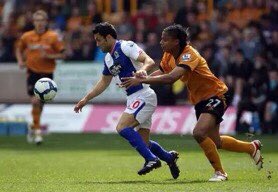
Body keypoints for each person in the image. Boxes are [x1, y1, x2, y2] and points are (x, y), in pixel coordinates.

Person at [121, 24, 263, 182]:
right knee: (216, 141)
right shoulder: (168, 55)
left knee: (199, 133)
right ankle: (251, 148)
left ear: (176, 41)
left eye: (164, 39)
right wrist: (140, 83)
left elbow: (171, 78)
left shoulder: (189, 54)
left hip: (216, 95)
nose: (161, 42)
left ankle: (220, 173)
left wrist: (143, 79)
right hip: (200, 100)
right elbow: (162, 72)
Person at [74, 22, 180, 178]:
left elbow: (149, 61)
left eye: (98, 40)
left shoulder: (126, 46)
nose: (97, 44)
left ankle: (151, 159)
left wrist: (141, 72)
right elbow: (104, 82)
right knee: (144, 143)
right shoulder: (108, 59)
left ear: (108, 37)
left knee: (122, 127)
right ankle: (169, 158)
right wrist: (85, 99)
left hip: (143, 94)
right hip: (133, 98)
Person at [16, 10, 65, 145]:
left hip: (47, 75)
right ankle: (37, 133)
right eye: (37, 20)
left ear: (46, 21)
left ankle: (33, 125)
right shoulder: (26, 36)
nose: (39, 23)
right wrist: (20, 61)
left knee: (40, 104)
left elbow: (63, 54)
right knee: (35, 102)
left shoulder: (53, 37)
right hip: (32, 72)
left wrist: (49, 56)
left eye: (42, 20)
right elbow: (18, 49)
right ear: (33, 22)